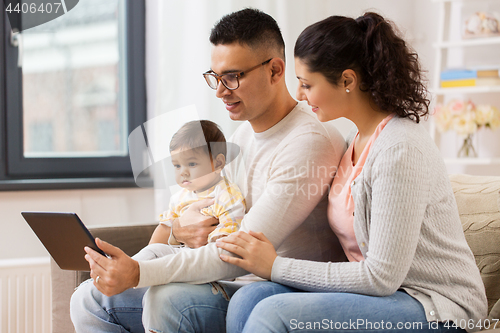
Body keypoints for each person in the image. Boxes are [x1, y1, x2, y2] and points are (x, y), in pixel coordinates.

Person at [70, 8, 346, 333]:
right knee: (87, 299)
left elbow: (237, 250)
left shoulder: (308, 140)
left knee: (166, 298)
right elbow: (216, 212)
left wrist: (138, 273)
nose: (220, 91)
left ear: (275, 70)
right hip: (231, 281)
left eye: (232, 77)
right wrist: (177, 231)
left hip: (275, 292)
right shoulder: (243, 135)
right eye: (215, 77)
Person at [216, 12, 488, 333]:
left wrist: (275, 266)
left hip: (435, 303)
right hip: (384, 296)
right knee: (250, 298)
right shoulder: (354, 141)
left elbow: (381, 276)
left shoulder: (399, 147)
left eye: (307, 84)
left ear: (347, 81)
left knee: (273, 313)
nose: (300, 95)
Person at [132, 119, 246, 263]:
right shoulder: (178, 198)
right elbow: (166, 229)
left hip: (208, 262)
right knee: (152, 252)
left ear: (218, 163)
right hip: (182, 254)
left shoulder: (226, 195)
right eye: (177, 165)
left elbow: (226, 240)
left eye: (191, 164)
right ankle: (132, 267)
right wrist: (150, 252)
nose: (183, 172)